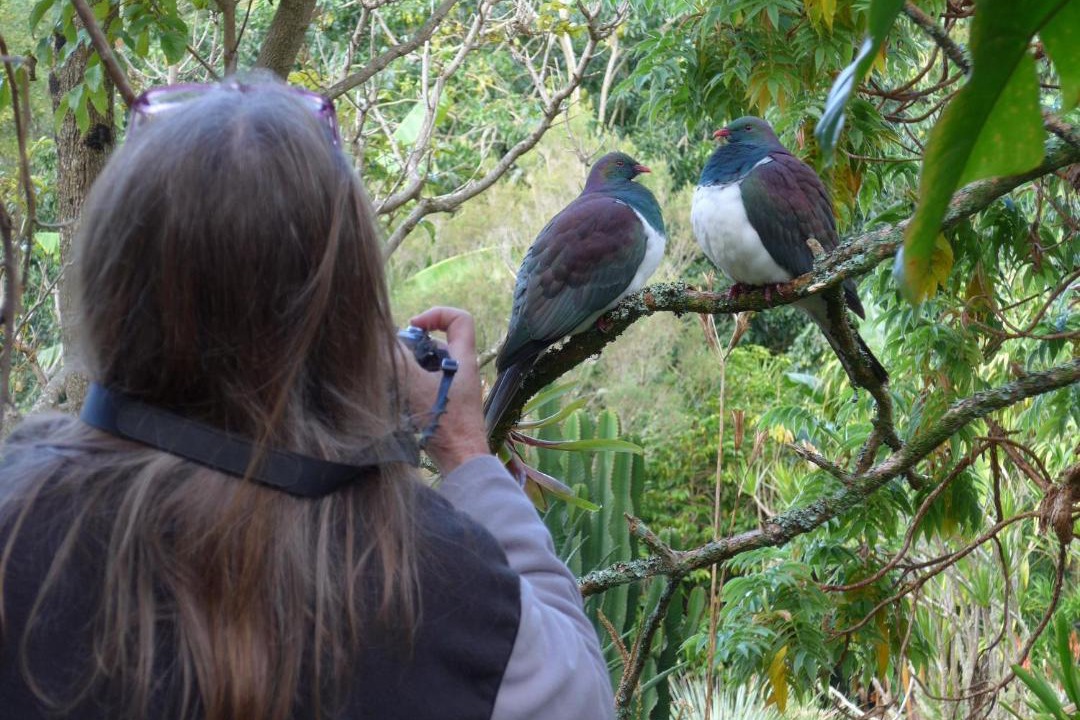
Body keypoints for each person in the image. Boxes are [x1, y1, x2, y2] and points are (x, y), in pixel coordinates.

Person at [0, 77, 614, 720]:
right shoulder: (440, 583)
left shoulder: (19, 525)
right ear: (352, 315)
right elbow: (580, 698)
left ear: (110, 289)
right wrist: (463, 448)